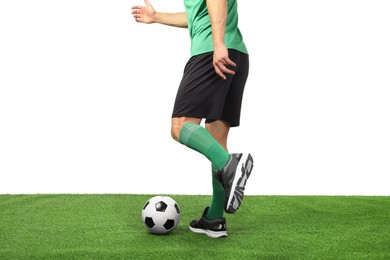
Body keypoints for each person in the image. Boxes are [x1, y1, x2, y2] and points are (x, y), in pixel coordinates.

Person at [131, 0, 254, 238]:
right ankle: (214, 219)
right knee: (215, 140)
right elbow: (198, 15)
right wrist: (156, 17)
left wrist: (218, 44)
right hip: (237, 55)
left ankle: (229, 165)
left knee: (180, 127)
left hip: (212, 53)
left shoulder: (215, 46)